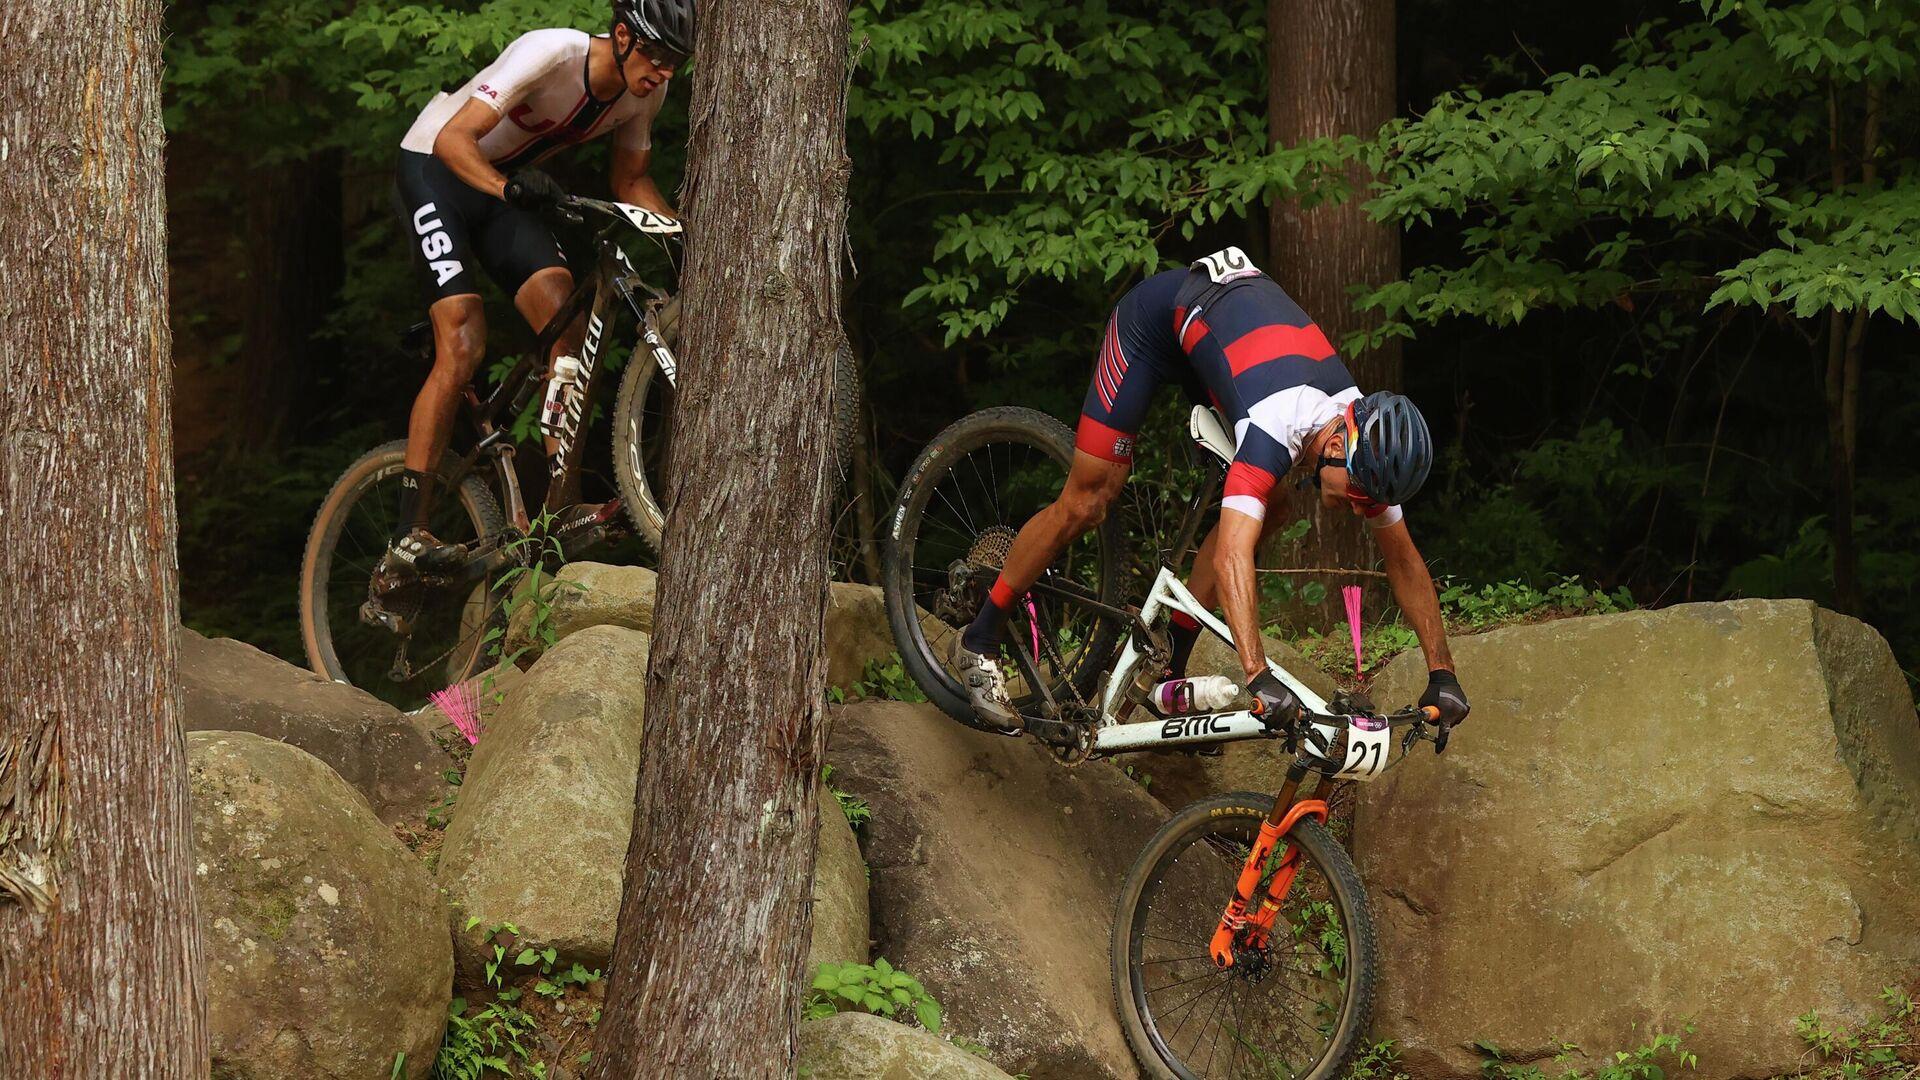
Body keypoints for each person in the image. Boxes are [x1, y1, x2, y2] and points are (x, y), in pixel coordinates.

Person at [953, 246, 1471, 734]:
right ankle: (980, 637)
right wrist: (1257, 675)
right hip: (1152, 325)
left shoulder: (1367, 441)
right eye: (1358, 494)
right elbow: (1233, 555)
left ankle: (1169, 662)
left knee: (1274, 506)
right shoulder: (1275, 427)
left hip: (1220, 342)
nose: (1361, 509)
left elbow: (1403, 559)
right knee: (1090, 499)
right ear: (1336, 443)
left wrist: (1442, 672)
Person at [374, 0, 695, 599]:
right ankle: (406, 535)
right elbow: (453, 138)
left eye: (675, 61)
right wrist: (507, 189)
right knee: (463, 341)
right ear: (622, 36)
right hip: (435, 167)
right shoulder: (552, 52)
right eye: (656, 55)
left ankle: (558, 503)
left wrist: (687, 236)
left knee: (565, 326)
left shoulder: (644, 94)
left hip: (501, 186)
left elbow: (630, 181)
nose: (664, 72)